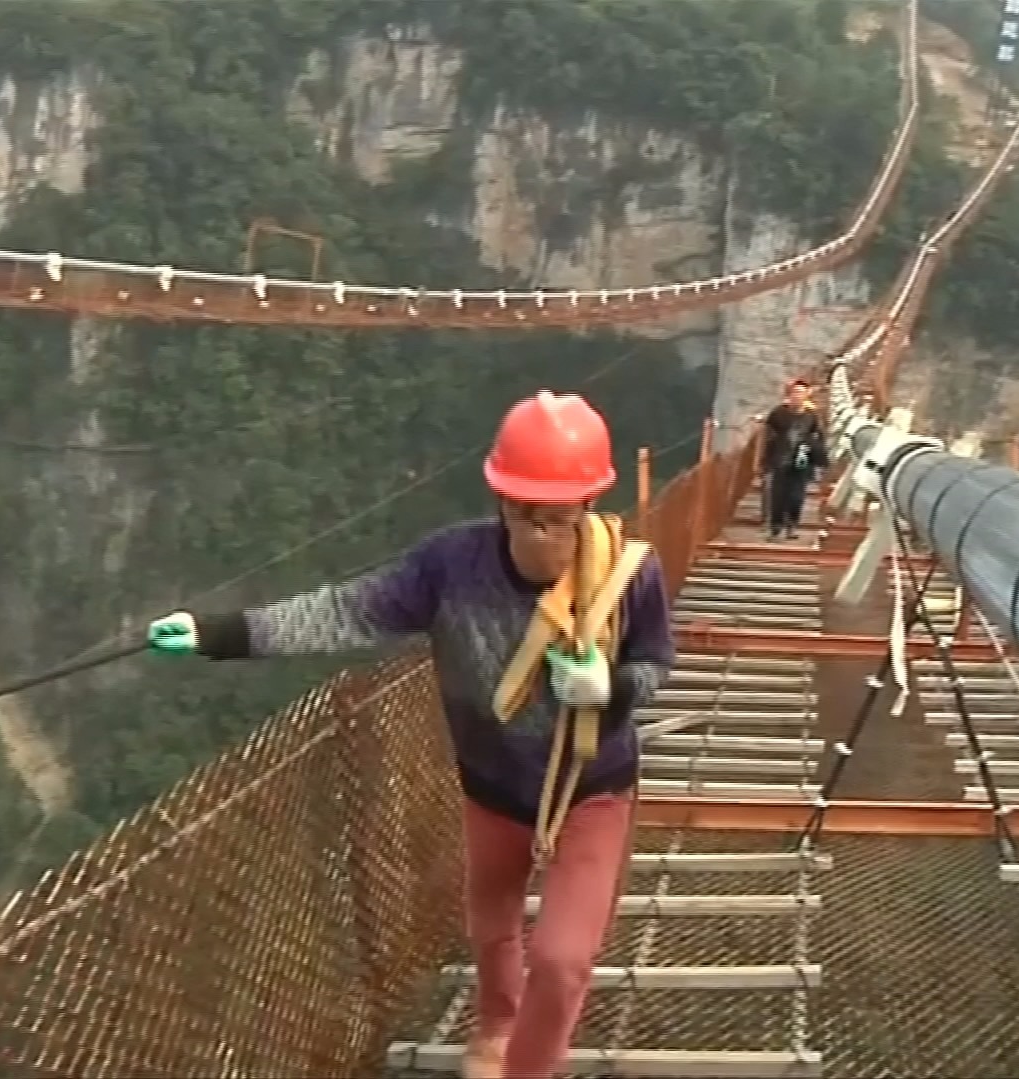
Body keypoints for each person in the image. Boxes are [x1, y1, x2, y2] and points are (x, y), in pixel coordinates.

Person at [144, 391, 674, 1079]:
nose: (543, 534)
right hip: (489, 785)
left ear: (586, 508)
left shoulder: (631, 573)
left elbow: (654, 662)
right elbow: (343, 612)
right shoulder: (448, 566)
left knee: (563, 958)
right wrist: (217, 634)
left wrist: (610, 688)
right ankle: (496, 1024)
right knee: (491, 924)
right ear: (502, 504)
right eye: (527, 515)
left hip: (591, 786)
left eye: (559, 519)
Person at [761, 378, 828, 540]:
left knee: (797, 496)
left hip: (801, 460)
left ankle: (792, 525)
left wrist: (819, 460)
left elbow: (818, 437)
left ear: (807, 396)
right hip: (780, 459)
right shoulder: (778, 414)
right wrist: (765, 461)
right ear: (789, 394)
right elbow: (768, 437)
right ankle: (775, 527)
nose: (798, 396)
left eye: (802, 393)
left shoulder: (811, 416)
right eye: (795, 392)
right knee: (778, 495)